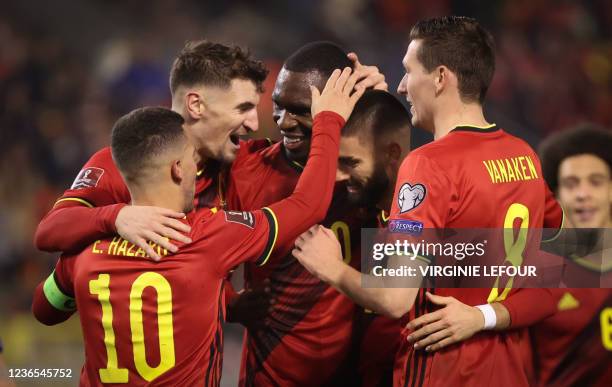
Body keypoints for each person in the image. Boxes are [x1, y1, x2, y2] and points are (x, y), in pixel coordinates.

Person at [32, 70, 364, 386]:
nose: (198, 168)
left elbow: (44, 310)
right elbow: (309, 207)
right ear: (178, 168)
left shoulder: (86, 250)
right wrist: (329, 120)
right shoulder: (208, 236)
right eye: (193, 159)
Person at [293, 16, 564, 387]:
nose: (402, 86)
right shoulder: (524, 157)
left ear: (440, 77)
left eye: (408, 71)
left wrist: (332, 268)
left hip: (444, 374)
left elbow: (394, 299)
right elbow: (573, 265)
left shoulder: (428, 164)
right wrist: (484, 315)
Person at [224, 42, 399, 387]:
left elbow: (516, 260)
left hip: (360, 374)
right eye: (277, 106)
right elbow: (191, 251)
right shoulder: (247, 168)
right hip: (269, 377)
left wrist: (382, 113)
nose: (284, 122)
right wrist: (228, 305)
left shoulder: (378, 177)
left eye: (302, 110)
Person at [406, 124, 612, 386]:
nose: (583, 194)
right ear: (555, 196)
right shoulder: (534, 270)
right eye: (571, 184)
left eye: (596, 182)